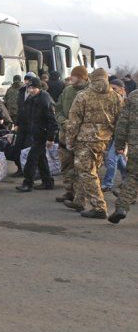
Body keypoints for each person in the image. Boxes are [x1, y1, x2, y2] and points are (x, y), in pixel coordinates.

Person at [63, 68, 122, 219]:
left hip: (85, 141)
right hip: (104, 141)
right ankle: (79, 200)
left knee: (86, 172)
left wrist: (69, 141)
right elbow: (120, 122)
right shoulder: (116, 97)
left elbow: (74, 122)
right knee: (89, 170)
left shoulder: (83, 96)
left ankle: (99, 207)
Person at [15, 77, 57, 192]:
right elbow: (24, 112)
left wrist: (50, 138)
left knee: (31, 158)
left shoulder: (45, 100)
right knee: (41, 158)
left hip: (42, 134)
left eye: (33, 88)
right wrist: (18, 124)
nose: (31, 90)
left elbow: (52, 121)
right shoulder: (31, 98)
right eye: (29, 88)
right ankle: (47, 181)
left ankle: (28, 183)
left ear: (39, 88)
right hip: (35, 132)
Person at [54, 66, 89, 203]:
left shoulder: (90, 92)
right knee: (66, 165)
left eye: (73, 75)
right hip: (65, 135)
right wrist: (64, 122)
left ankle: (80, 195)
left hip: (82, 137)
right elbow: (58, 108)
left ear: (80, 77)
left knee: (80, 167)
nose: (70, 77)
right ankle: (69, 191)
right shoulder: (67, 90)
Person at [108, 90, 138, 223]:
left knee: (134, 177)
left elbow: (123, 122)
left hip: (136, 145)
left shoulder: (134, 96)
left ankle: (122, 208)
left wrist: (119, 144)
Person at [101, 79, 128, 192]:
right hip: (112, 134)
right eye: (110, 88)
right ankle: (127, 179)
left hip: (121, 137)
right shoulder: (110, 100)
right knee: (119, 159)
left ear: (122, 89)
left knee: (111, 159)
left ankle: (107, 184)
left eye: (114, 89)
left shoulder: (128, 103)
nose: (112, 91)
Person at [10, 72, 37, 176]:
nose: (27, 82)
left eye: (30, 80)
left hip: (32, 125)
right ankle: (20, 169)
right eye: (26, 80)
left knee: (28, 148)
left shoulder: (38, 93)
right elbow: (20, 109)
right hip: (22, 125)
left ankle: (29, 171)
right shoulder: (21, 92)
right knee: (18, 147)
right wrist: (16, 124)